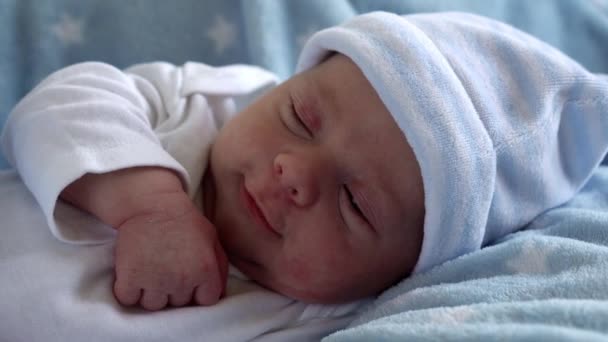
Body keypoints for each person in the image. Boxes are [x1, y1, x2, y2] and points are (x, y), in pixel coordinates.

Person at [3, 11, 608, 315]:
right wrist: (152, 208)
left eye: (355, 203)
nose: (295, 172)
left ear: (402, 274)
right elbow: (51, 108)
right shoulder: (194, 105)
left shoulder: (312, 319)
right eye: (299, 117)